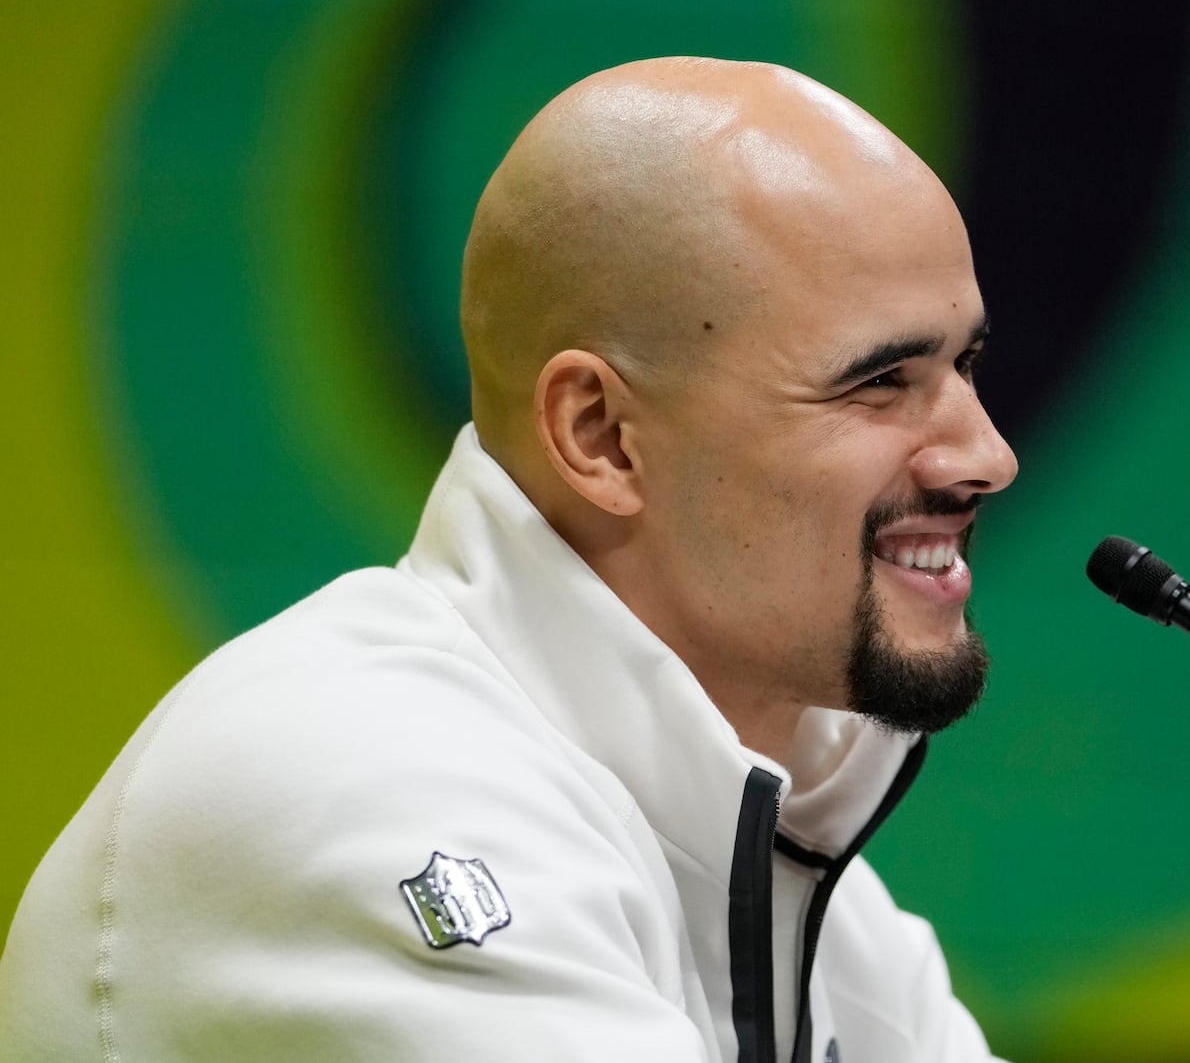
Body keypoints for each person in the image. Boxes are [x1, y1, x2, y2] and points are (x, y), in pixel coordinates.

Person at [0, 57, 1018, 1061]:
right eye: (879, 380)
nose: (987, 455)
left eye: (964, 363)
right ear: (602, 436)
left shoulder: (797, 863)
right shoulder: (367, 780)